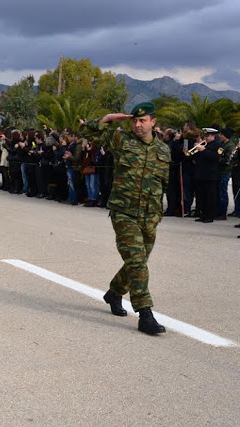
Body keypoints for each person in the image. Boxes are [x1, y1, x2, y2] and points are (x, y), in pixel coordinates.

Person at [80, 101, 170, 335]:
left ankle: (114, 293)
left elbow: (163, 183)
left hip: (150, 215)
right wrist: (108, 118)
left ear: (153, 122)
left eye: (143, 121)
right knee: (137, 262)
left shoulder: (163, 150)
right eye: (135, 120)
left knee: (136, 263)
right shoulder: (122, 141)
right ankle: (145, 314)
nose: (138, 125)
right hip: (124, 212)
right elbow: (87, 132)